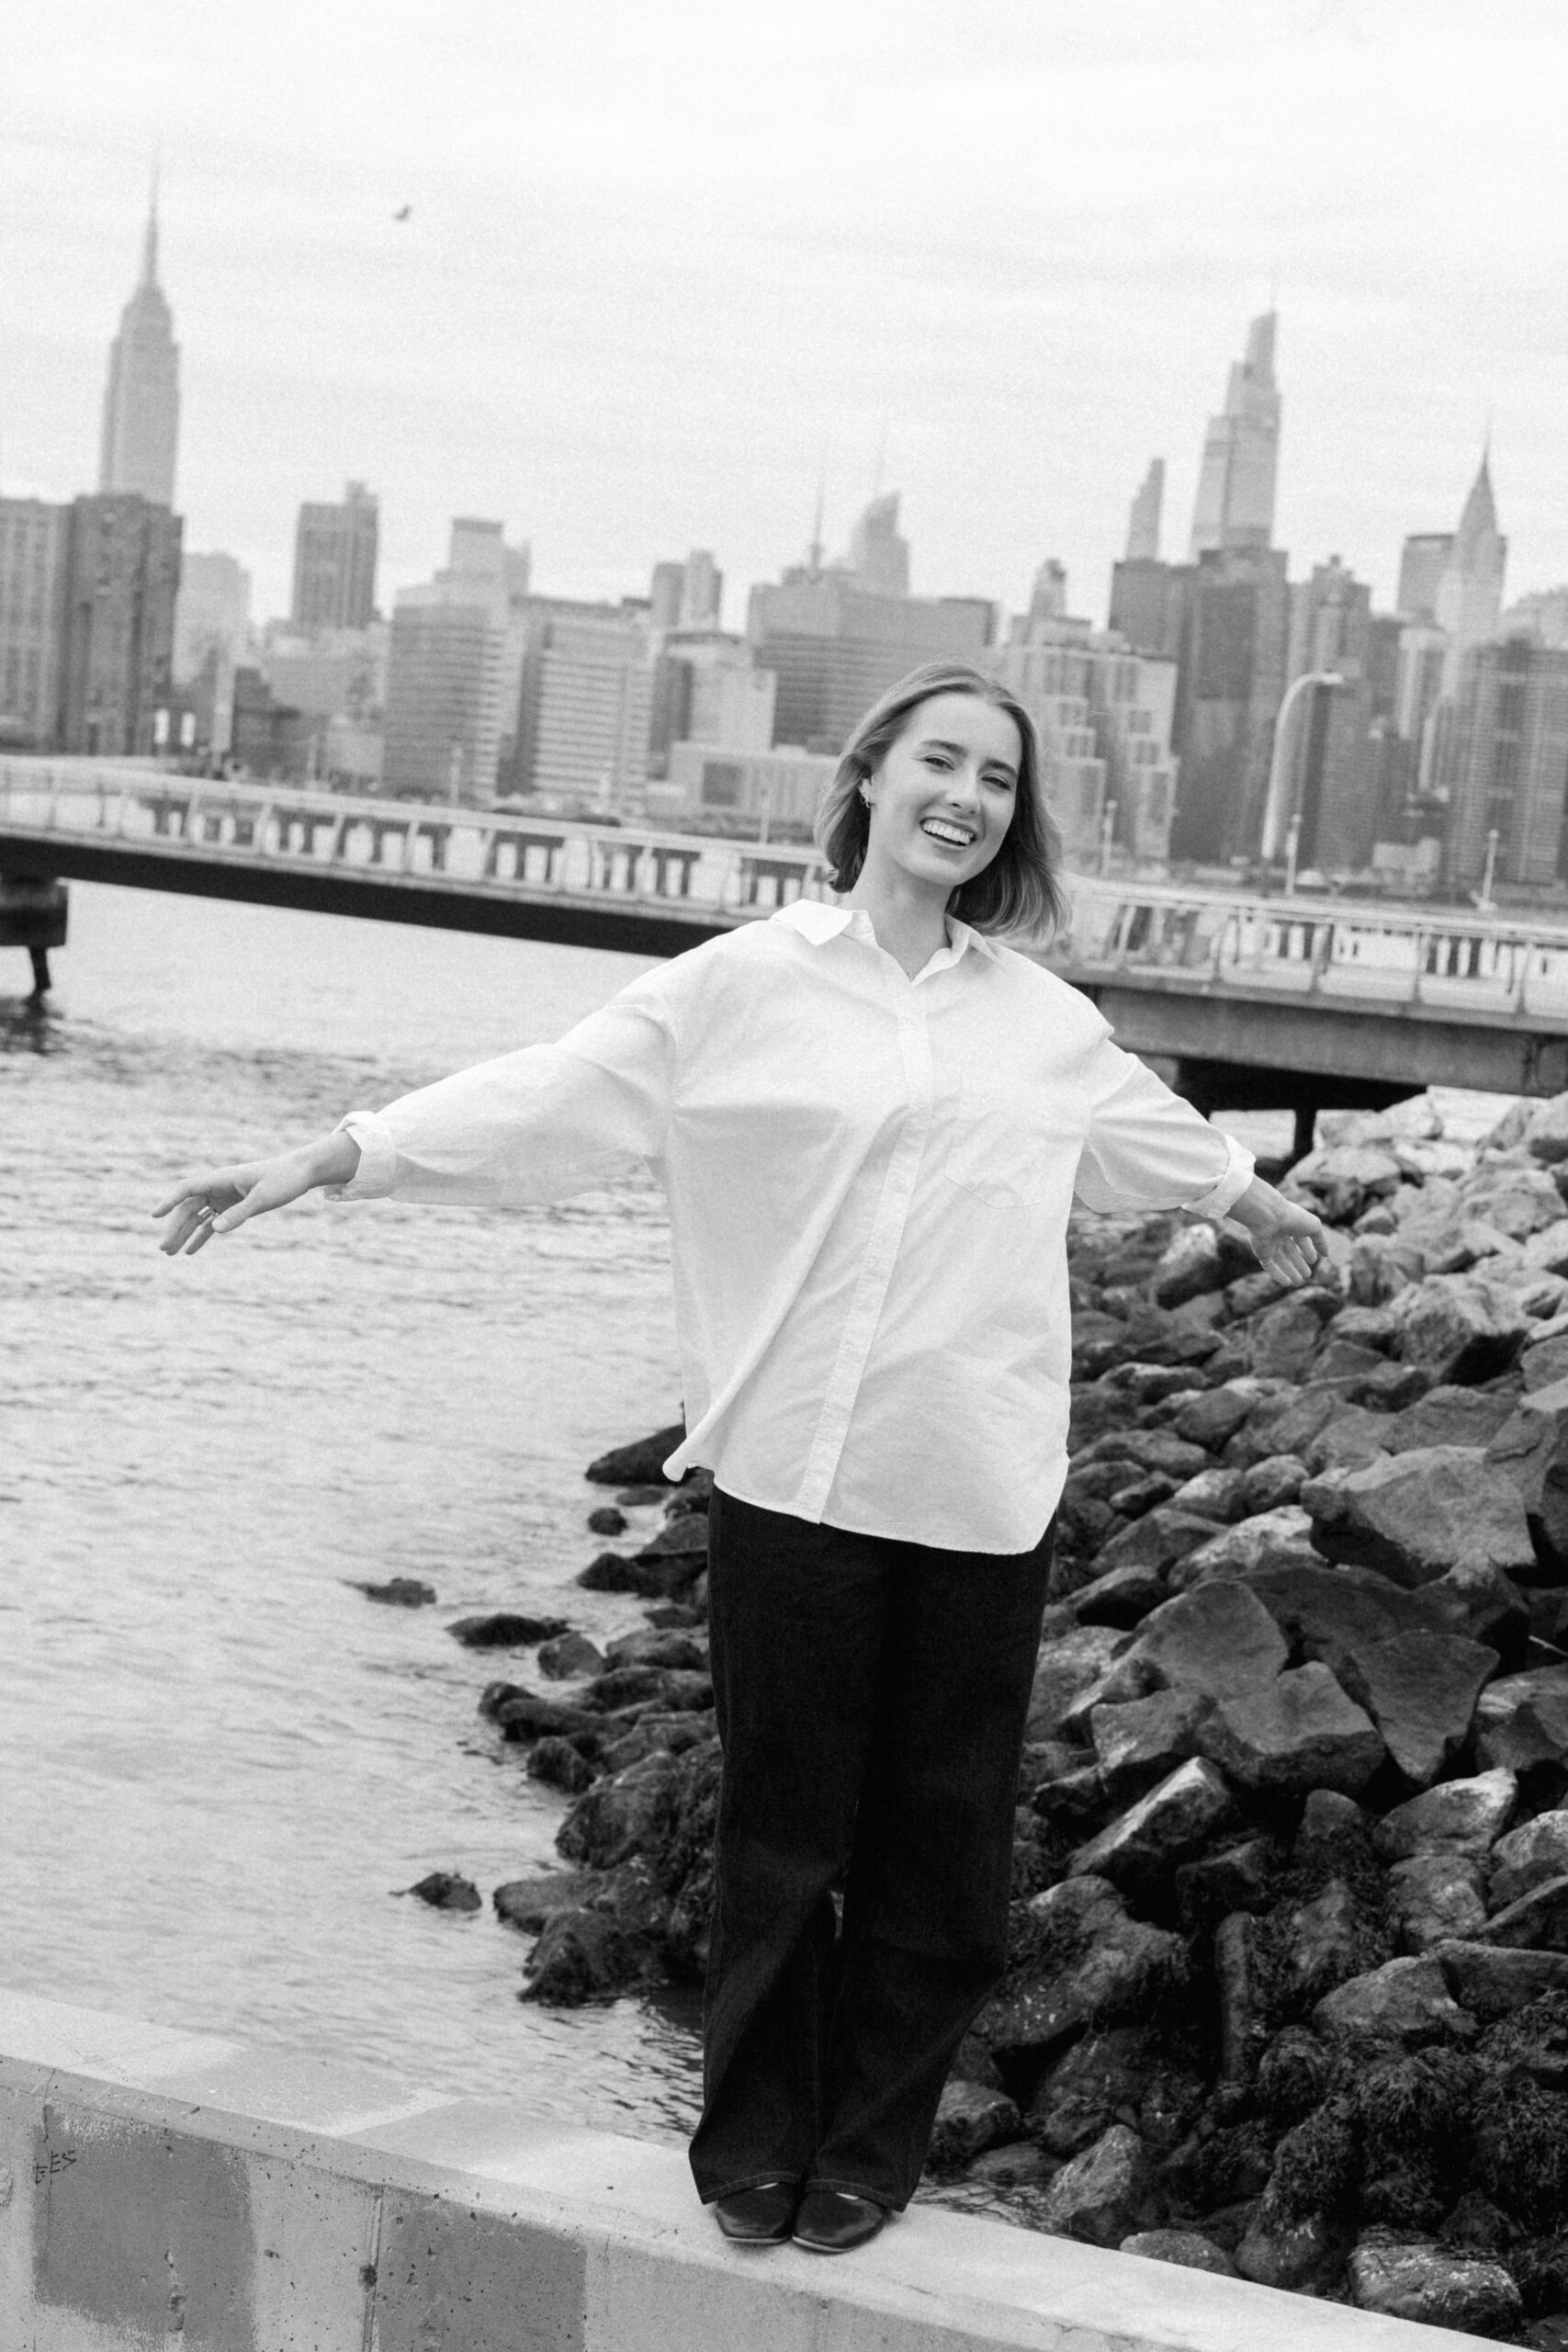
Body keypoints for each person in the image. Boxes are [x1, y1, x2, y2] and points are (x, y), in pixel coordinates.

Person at [153, 660, 1323, 2256]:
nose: (965, 797)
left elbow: (1153, 1141)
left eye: (996, 777)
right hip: (795, 1479)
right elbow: (550, 1101)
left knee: (943, 1839)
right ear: (867, 775)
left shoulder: (1044, 1026)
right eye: (940, 761)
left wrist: (1263, 1202)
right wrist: (332, 1155)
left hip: (978, 1484)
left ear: (1012, 817)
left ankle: (871, 2145)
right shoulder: (738, 988)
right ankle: (756, 2141)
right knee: (783, 1834)